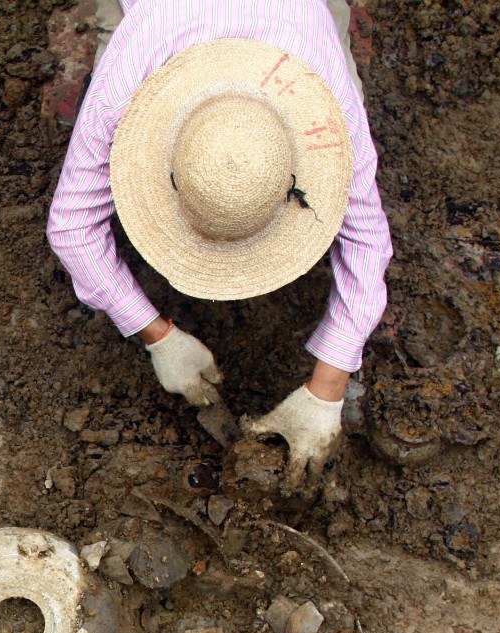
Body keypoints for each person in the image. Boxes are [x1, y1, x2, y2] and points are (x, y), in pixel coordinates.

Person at [47, 0, 392, 491]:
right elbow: (71, 226)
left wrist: (327, 391)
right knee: (106, 47)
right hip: (160, 18)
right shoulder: (127, 84)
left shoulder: (329, 103)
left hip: (297, 15)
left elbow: (367, 239)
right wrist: (157, 335)